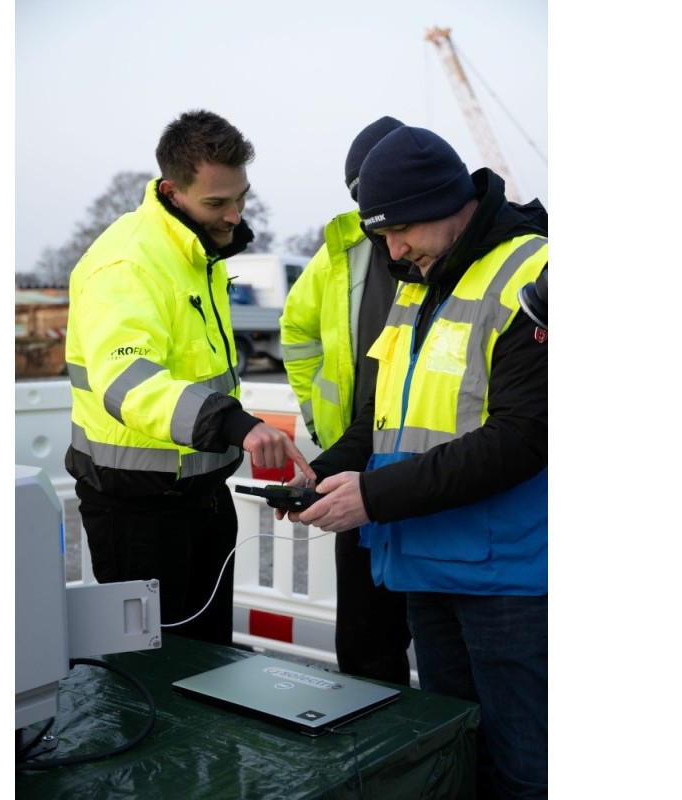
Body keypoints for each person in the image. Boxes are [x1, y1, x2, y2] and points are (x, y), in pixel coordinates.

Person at [279, 126, 548, 799]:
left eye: (400, 229)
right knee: (452, 751)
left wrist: (374, 496)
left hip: (506, 579)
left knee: (524, 769)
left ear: (446, 202)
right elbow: (380, 420)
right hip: (426, 563)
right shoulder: (415, 280)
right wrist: (322, 473)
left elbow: (524, 437)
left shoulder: (534, 273)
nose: (392, 251)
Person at [64, 109, 315, 648]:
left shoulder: (196, 252)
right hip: (137, 510)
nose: (234, 215)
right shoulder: (128, 263)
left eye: (241, 197)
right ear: (171, 191)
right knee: (149, 674)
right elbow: (127, 382)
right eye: (217, 203)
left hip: (200, 496)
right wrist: (235, 424)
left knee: (207, 663)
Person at [279, 116, 413, 687]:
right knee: (365, 640)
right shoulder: (343, 251)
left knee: (447, 647)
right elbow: (297, 331)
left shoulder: (447, 249)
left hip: (437, 469)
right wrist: (323, 424)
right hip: (359, 458)